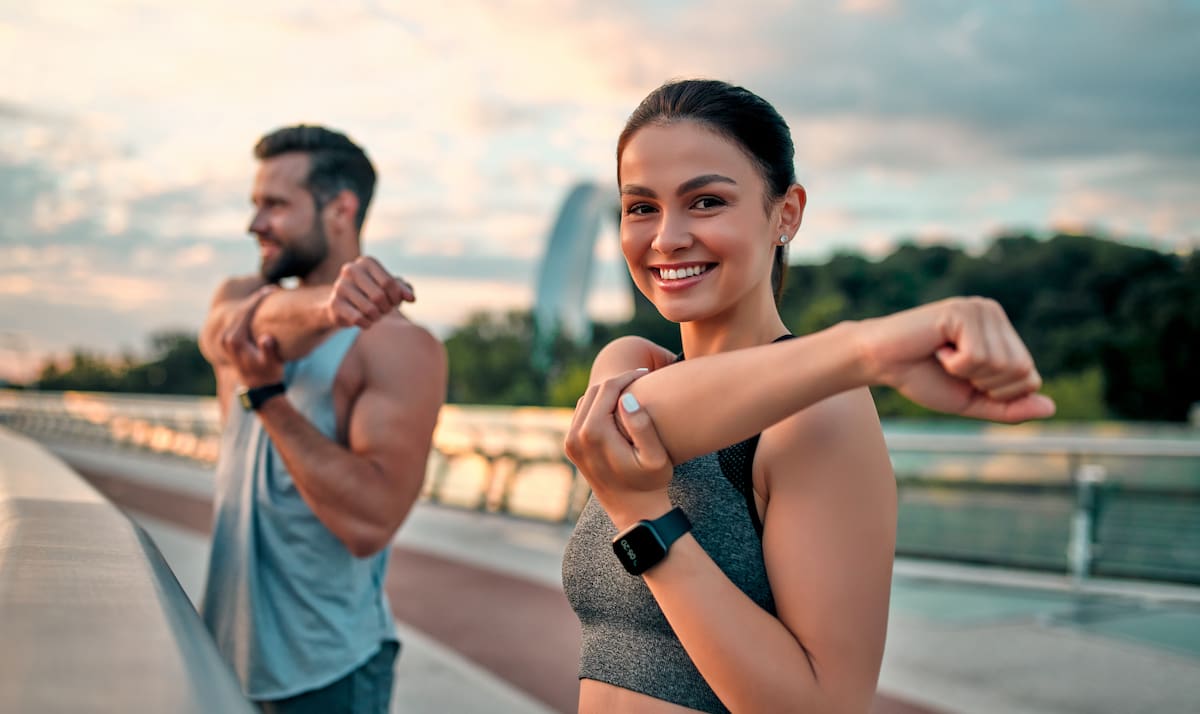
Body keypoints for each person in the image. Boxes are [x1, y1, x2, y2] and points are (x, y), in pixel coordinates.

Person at [560, 79, 1056, 714]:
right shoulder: (631, 363)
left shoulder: (823, 414)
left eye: (706, 201)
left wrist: (647, 524)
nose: (667, 237)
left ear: (785, 213)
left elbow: (823, 707)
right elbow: (642, 416)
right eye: (641, 207)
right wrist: (868, 349)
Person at [197, 124, 447, 713]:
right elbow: (233, 331)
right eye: (255, 204)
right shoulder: (239, 301)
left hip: (328, 673)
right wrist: (329, 305)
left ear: (341, 209)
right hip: (221, 658)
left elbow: (369, 524)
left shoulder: (401, 348)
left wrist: (271, 403)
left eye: (275, 205)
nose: (254, 224)